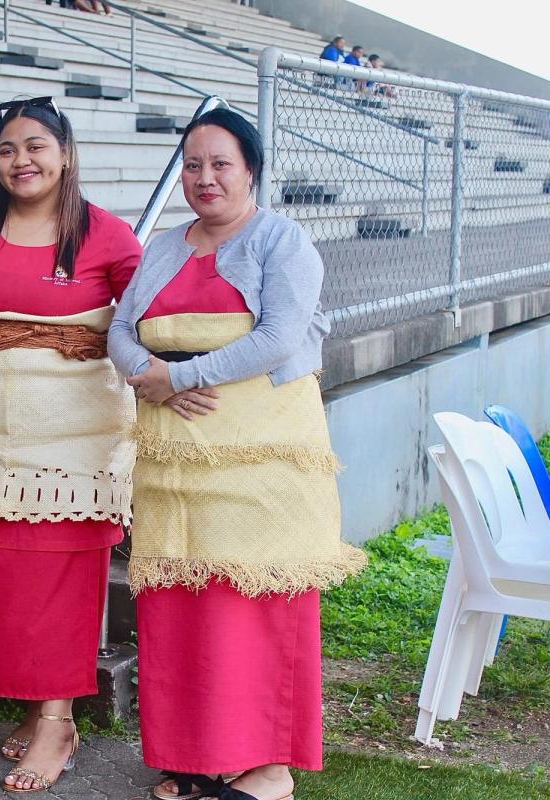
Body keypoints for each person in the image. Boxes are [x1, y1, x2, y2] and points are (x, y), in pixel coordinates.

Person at [107, 109, 366, 800]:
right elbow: (121, 331)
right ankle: (194, 756)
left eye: (220, 163)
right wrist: (147, 376)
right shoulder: (163, 246)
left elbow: (279, 336)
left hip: (260, 464)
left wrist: (178, 377)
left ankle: (268, 767)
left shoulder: (282, 240)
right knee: (182, 607)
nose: (204, 178)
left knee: (250, 606)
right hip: (175, 467)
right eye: (192, 165)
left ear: (251, 168)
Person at [0, 96, 141, 794]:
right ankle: (37, 707)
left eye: (36, 146)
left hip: (77, 447)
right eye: (7, 148)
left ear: (66, 155)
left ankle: (57, 721)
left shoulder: (107, 236)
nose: (21, 159)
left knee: (58, 585)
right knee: (2, 583)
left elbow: (147, 321)